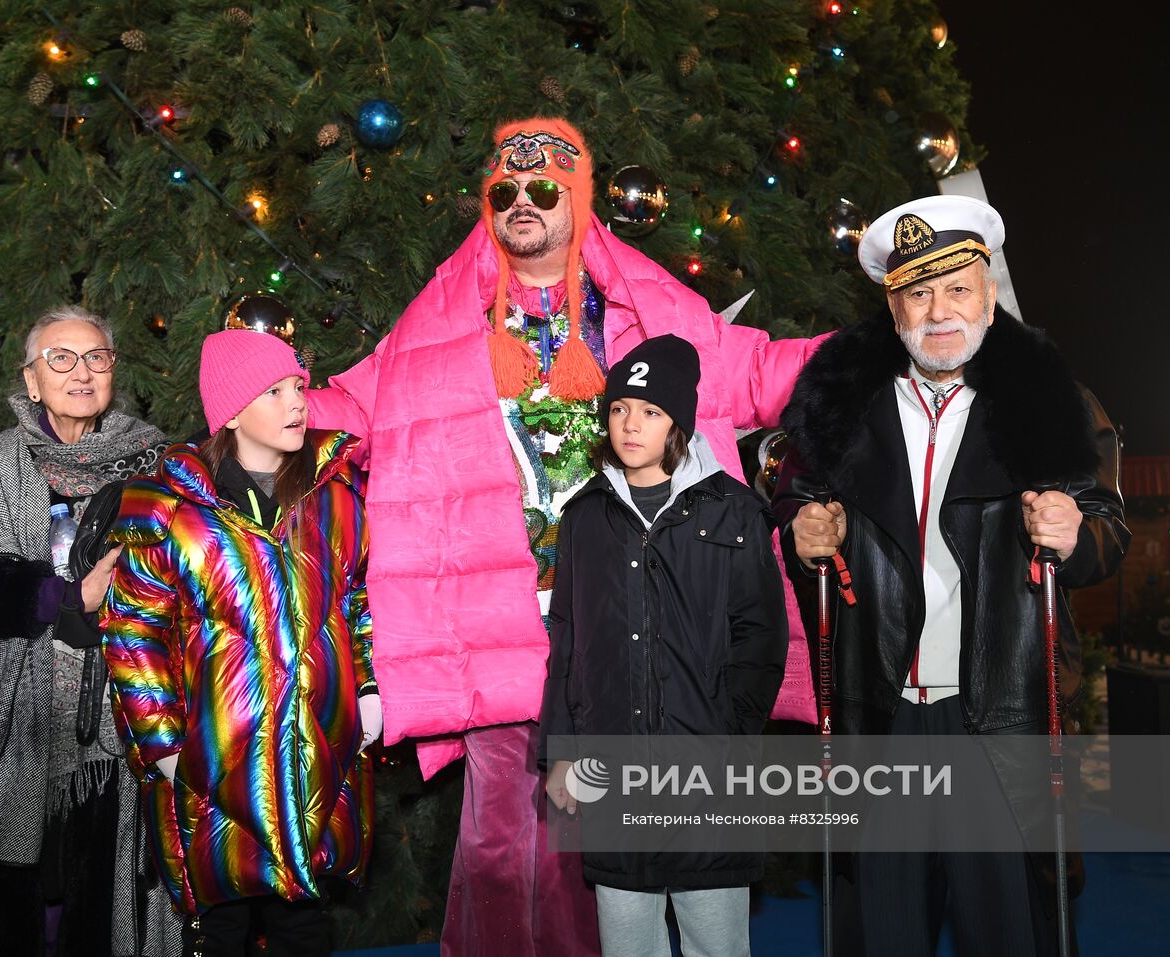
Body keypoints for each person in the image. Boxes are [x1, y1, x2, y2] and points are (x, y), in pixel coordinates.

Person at [304, 115, 825, 954]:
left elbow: (755, 371)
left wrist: (880, 346)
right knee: (501, 840)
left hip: (626, 612)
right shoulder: (447, 323)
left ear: (578, 201)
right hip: (502, 620)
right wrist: (275, 409)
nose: (521, 203)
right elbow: (358, 406)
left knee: (607, 837)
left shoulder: (638, 312)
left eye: (543, 189)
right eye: (504, 191)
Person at [773, 195, 1130, 955]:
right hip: (882, 713)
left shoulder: (1048, 403)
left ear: (988, 294)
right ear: (893, 305)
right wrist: (805, 534)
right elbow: (796, 504)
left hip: (996, 714)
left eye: (957, 287)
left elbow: (1109, 531)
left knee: (1004, 932)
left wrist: (1075, 533)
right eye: (918, 292)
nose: (939, 311)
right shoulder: (842, 408)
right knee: (884, 932)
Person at [100, 329, 380, 957]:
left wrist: (366, 685)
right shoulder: (170, 511)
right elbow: (132, 633)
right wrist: (163, 744)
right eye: (274, 391)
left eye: (299, 388)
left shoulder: (335, 499)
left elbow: (359, 600)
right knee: (220, 929)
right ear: (230, 411)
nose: (297, 403)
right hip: (214, 765)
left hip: (315, 760)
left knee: (305, 926)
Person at [0, 305, 176, 956]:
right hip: (13, 718)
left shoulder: (156, 460)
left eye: (96, 357)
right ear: (31, 380)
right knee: (2, 906)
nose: (80, 371)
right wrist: (67, 597)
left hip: (122, 719)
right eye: (61, 357)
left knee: (105, 903)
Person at [539, 335, 786, 957]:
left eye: (649, 412)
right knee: (627, 942)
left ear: (678, 422)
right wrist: (562, 751)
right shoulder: (585, 517)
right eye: (620, 408)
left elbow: (761, 636)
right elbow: (566, 637)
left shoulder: (735, 511)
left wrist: (732, 731)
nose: (630, 425)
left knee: (717, 942)